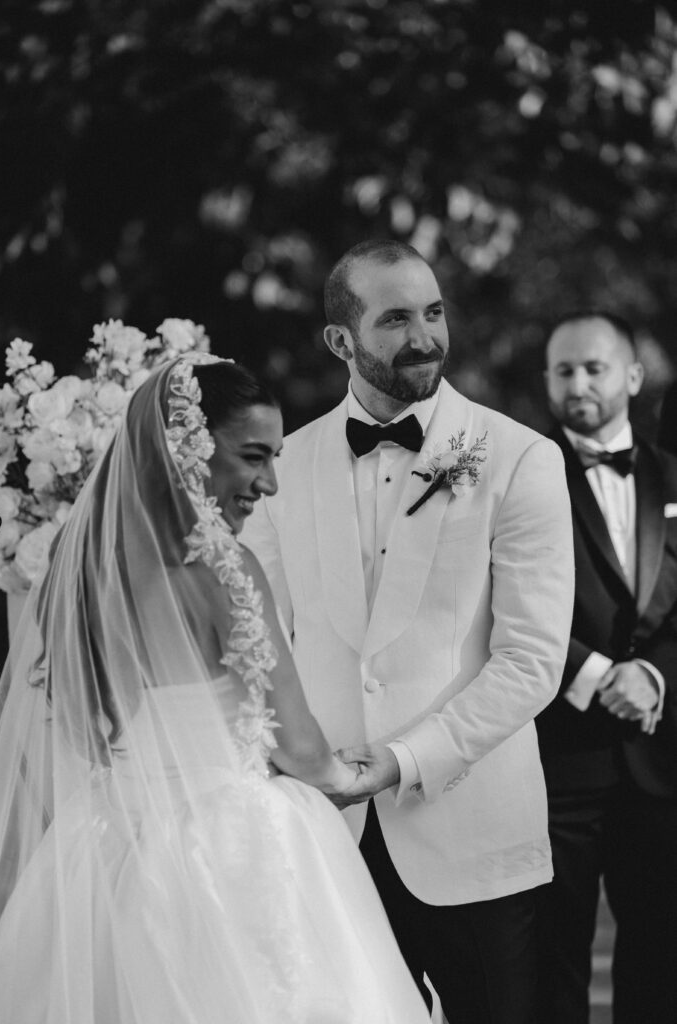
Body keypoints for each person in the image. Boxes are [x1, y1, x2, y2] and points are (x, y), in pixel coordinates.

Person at [0, 355, 431, 1024]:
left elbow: (78, 727)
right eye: (253, 456)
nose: (269, 483)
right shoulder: (225, 569)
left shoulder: (74, 566)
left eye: (274, 459)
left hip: (107, 846)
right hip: (231, 849)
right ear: (185, 451)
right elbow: (299, 745)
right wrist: (346, 776)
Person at [242, 239, 575, 1024]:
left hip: (473, 833)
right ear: (340, 340)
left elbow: (530, 661)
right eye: (394, 320)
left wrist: (399, 761)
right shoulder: (283, 466)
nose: (424, 337)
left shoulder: (518, 458)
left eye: (432, 313)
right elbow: (259, 644)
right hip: (330, 838)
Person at [536, 310, 677, 1024]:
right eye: (563, 370)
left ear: (633, 375)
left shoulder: (672, 476)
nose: (578, 383)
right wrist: (593, 675)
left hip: (658, 760)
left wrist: (650, 675)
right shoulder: (521, 476)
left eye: (594, 368)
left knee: (658, 957)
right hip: (556, 759)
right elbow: (500, 601)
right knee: (554, 962)